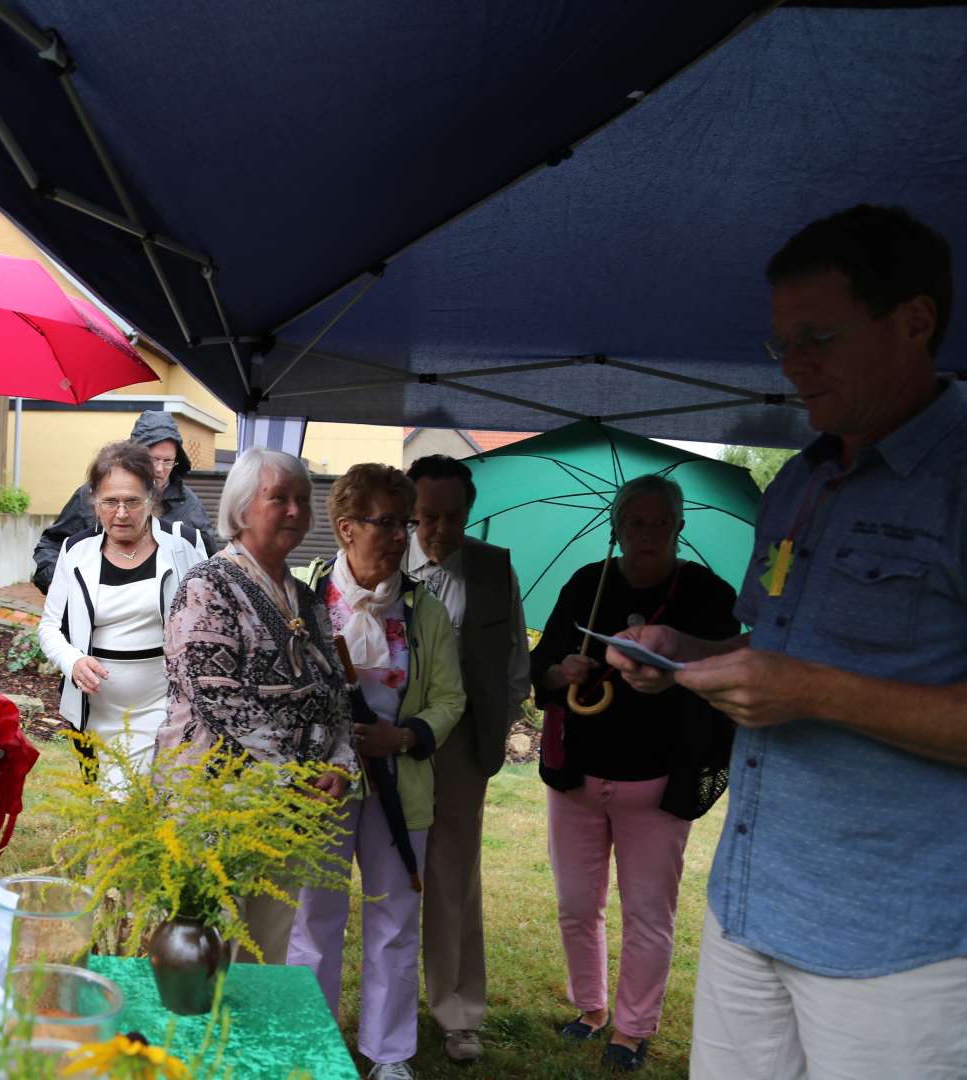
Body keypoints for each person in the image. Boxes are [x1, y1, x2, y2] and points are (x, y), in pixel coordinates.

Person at [608, 204, 967, 1080]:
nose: (793, 366)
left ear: (914, 322)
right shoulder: (800, 483)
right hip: (748, 907)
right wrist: (680, 654)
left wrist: (812, 691)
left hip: (900, 950)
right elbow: (763, 643)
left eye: (818, 337)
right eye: (781, 344)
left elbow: (799, 676)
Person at [530, 474, 738, 1071]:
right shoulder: (585, 586)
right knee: (576, 903)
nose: (646, 533)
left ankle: (633, 1028)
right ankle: (591, 1009)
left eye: (658, 523)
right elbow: (539, 670)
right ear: (616, 527)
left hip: (656, 782)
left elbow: (729, 668)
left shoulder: (706, 592)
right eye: (634, 522)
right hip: (578, 776)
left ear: (679, 528)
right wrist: (560, 671)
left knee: (648, 913)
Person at [286, 463, 465, 1080]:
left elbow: (449, 699)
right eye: (385, 522)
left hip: (401, 787)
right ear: (344, 527)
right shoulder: (304, 600)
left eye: (404, 524)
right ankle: (311, 1045)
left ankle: (389, 1056)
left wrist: (405, 736)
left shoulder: (425, 611)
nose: (399, 536)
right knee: (314, 919)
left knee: (393, 921)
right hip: (322, 787)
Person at [158, 446, 356, 963]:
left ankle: (245, 1043)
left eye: (302, 500)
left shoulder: (307, 598)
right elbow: (218, 696)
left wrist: (339, 763)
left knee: (265, 948)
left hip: (286, 809)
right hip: (213, 801)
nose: (294, 510)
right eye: (279, 498)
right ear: (243, 508)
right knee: (204, 947)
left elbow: (335, 692)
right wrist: (296, 774)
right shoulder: (207, 586)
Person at [404, 454, 530, 1064]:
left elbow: (513, 665)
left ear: (470, 512)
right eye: (428, 516)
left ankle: (458, 1011)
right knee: (393, 875)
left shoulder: (493, 569)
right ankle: (390, 1002)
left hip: (459, 748)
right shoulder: (384, 558)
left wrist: (493, 734)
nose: (440, 530)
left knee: (455, 879)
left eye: (453, 516)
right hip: (393, 746)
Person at [38, 440, 207, 789]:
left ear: (152, 497)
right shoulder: (75, 551)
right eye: (109, 501)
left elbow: (210, 623)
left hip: (165, 707)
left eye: (132, 501)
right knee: (108, 813)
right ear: (94, 500)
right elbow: (50, 626)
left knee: (134, 807)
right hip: (93, 712)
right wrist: (72, 661)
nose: (120, 513)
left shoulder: (184, 545)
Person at [32, 409, 218, 594]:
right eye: (153, 459)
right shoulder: (92, 494)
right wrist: (61, 589)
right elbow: (51, 546)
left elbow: (207, 565)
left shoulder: (189, 506)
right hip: (95, 608)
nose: (160, 469)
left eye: (168, 461)